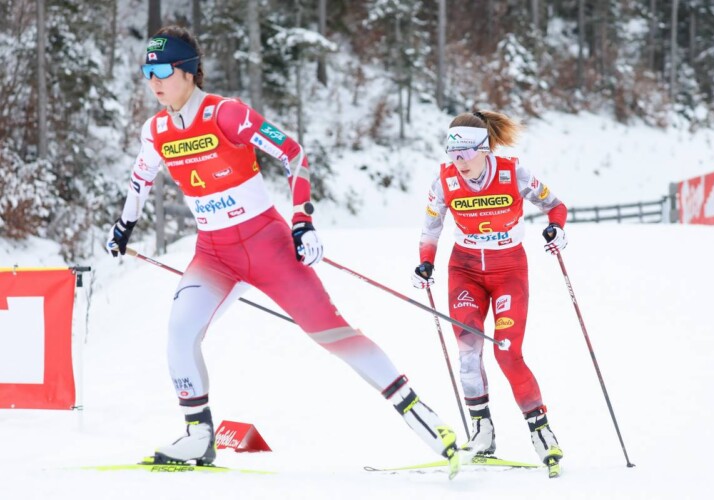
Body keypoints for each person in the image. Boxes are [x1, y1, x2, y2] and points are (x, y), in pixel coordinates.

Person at [105, 24, 460, 475]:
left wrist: (303, 221)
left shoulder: (225, 114)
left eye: (162, 69)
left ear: (189, 72)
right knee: (180, 332)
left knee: (331, 332)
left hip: (267, 244)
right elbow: (141, 178)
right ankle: (198, 435)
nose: (153, 80)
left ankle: (419, 414)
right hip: (214, 253)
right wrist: (123, 225)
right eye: (146, 71)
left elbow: (293, 155)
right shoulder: (155, 130)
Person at [411, 110, 567, 475]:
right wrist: (425, 262)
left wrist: (556, 229)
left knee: (507, 352)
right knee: (468, 353)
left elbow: (555, 205)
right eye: (452, 154)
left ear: (483, 148)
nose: (458, 162)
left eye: (464, 153)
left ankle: (540, 430)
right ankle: (482, 430)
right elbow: (430, 229)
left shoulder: (514, 173)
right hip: (464, 271)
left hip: (508, 271)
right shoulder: (444, 181)